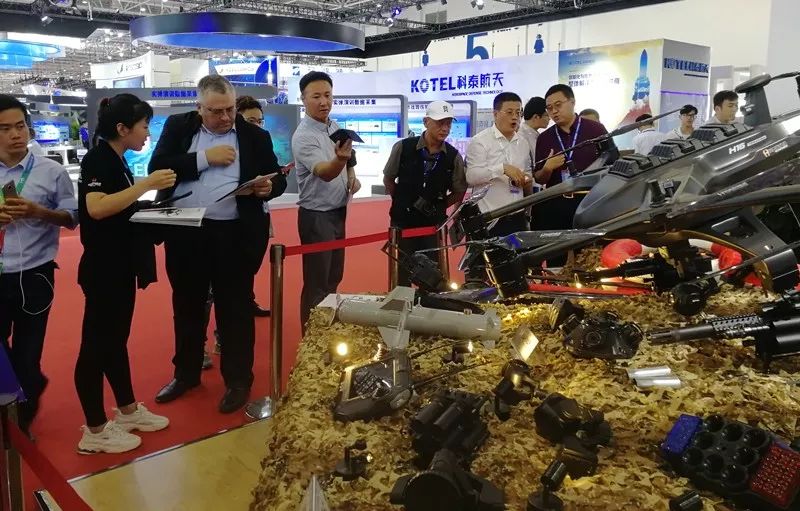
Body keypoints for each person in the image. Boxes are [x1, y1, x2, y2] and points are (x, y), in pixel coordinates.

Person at [149, 75, 287, 414]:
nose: (225, 117)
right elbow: (158, 166)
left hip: (234, 234)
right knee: (187, 306)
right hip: (186, 232)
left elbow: (277, 177)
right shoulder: (179, 126)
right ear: (199, 107)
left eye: (229, 109)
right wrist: (204, 158)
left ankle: (238, 380)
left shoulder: (255, 135)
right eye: (215, 111)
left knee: (235, 310)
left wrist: (270, 188)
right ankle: (185, 374)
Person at [75, 94, 173, 453]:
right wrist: (146, 185)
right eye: (144, 126)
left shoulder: (117, 161)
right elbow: (97, 208)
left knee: (115, 342)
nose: (147, 133)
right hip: (103, 269)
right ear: (122, 128)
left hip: (120, 266)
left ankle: (128, 409)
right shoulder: (98, 158)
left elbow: (120, 207)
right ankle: (95, 429)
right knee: (95, 348)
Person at [0, 95, 77, 435]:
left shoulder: (52, 171)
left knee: (28, 356)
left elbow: (72, 218)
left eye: (20, 126)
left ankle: (21, 421)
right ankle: (13, 402)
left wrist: (38, 212)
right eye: (5, 129)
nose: (16, 134)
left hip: (35, 275)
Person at [292, 71, 360, 333]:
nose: (324, 102)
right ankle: (311, 337)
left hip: (338, 212)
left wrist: (351, 176)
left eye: (328, 95)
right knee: (317, 282)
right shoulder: (303, 136)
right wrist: (340, 161)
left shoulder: (334, 126)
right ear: (303, 99)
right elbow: (324, 172)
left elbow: (350, 160)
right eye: (316, 96)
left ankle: (327, 330)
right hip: (316, 216)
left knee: (334, 277)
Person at [383, 100, 467, 286]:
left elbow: (459, 190)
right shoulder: (403, 147)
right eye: (440, 123)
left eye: (448, 123)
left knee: (433, 277)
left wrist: (439, 207)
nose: (445, 128)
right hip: (402, 223)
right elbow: (388, 179)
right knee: (401, 275)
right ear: (426, 122)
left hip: (432, 226)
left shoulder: (453, 156)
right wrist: (401, 200)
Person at [532, 84, 615, 235]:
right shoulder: (545, 138)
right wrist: (547, 168)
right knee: (558, 248)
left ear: (572, 102)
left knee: (589, 247)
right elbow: (539, 178)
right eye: (549, 108)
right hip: (557, 205)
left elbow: (613, 164)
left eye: (558, 105)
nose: (554, 111)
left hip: (591, 202)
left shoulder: (596, 130)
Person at [466, 92, 532, 236]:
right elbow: (471, 177)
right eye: (509, 112)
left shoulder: (523, 143)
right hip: (489, 218)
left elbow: (527, 171)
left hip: (517, 216)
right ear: (495, 114)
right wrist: (502, 169)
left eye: (518, 112)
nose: (515, 117)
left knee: (519, 250)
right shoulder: (480, 141)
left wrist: (526, 178)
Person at [519, 96, 549, 162]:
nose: (549, 119)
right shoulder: (521, 136)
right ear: (536, 117)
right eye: (546, 115)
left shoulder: (534, 133)